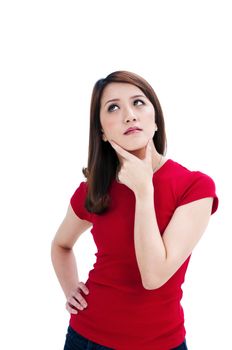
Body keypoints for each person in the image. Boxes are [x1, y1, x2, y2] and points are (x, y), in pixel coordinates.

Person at [51, 70, 219, 350]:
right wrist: (70, 289)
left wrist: (143, 190)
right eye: (113, 107)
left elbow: (153, 276)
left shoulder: (195, 186)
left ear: (155, 119)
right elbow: (61, 245)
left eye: (138, 102)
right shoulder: (94, 189)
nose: (129, 114)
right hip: (86, 338)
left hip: (161, 343)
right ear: (102, 132)